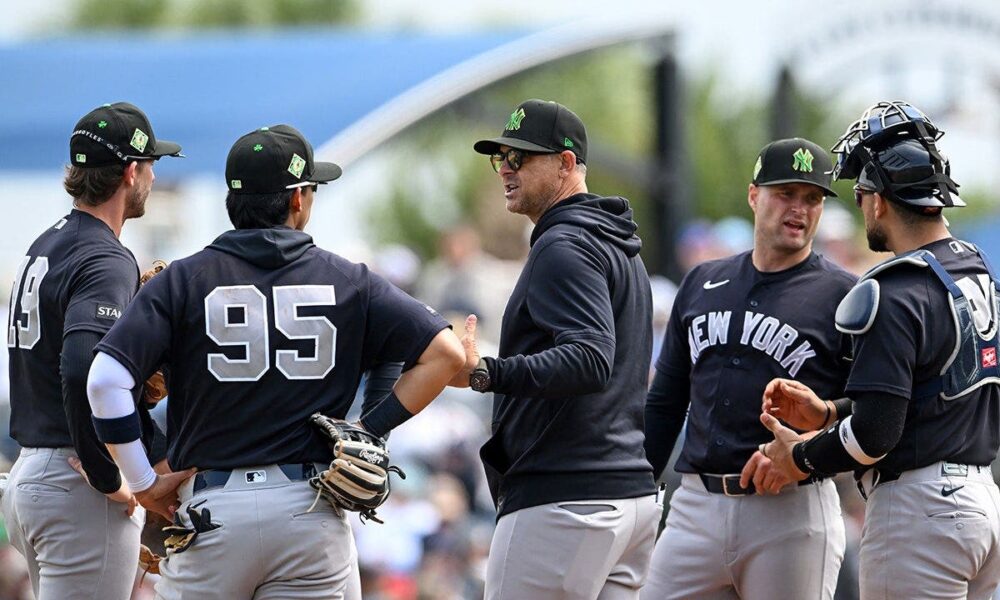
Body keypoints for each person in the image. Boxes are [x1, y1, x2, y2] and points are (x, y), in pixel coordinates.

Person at [86, 124, 465, 599]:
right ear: (298, 199)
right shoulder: (349, 279)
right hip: (308, 511)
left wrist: (143, 481)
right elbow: (445, 355)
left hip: (213, 512)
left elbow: (104, 383)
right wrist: (369, 430)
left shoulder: (182, 279)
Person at [756, 101, 1000, 600]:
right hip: (982, 503)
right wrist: (828, 411)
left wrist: (798, 459)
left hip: (921, 512)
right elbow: (928, 393)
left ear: (879, 201)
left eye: (862, 192)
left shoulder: (895, 288)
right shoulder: (977, 271)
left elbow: (875, 433)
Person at [450, 98, 658, 600]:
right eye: (502, 157)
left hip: (566, 499)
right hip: (627, 497)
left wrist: (486, 372)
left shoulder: (563, 245)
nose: (506, 169)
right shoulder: (616, 245)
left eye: (522, 158)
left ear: (566, 164)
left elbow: (590, 358)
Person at [642, 138, 855, 600]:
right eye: (786, 194)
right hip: (695, 505)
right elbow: (666, 400)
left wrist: (811, 448)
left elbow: (876, 405)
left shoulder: (845, 294)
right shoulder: (702, 281)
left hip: (789, 509)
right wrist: (637, 483)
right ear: (754, 195)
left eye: (813, 198)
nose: (799, 209)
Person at [2, 101, 183, 600]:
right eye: (149, 165)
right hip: (74, 482)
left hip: (32, 472)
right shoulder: (104, 256)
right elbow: (83, 366)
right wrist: (108, 477)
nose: (150, 177)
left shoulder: (46, 243)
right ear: (130, 171)